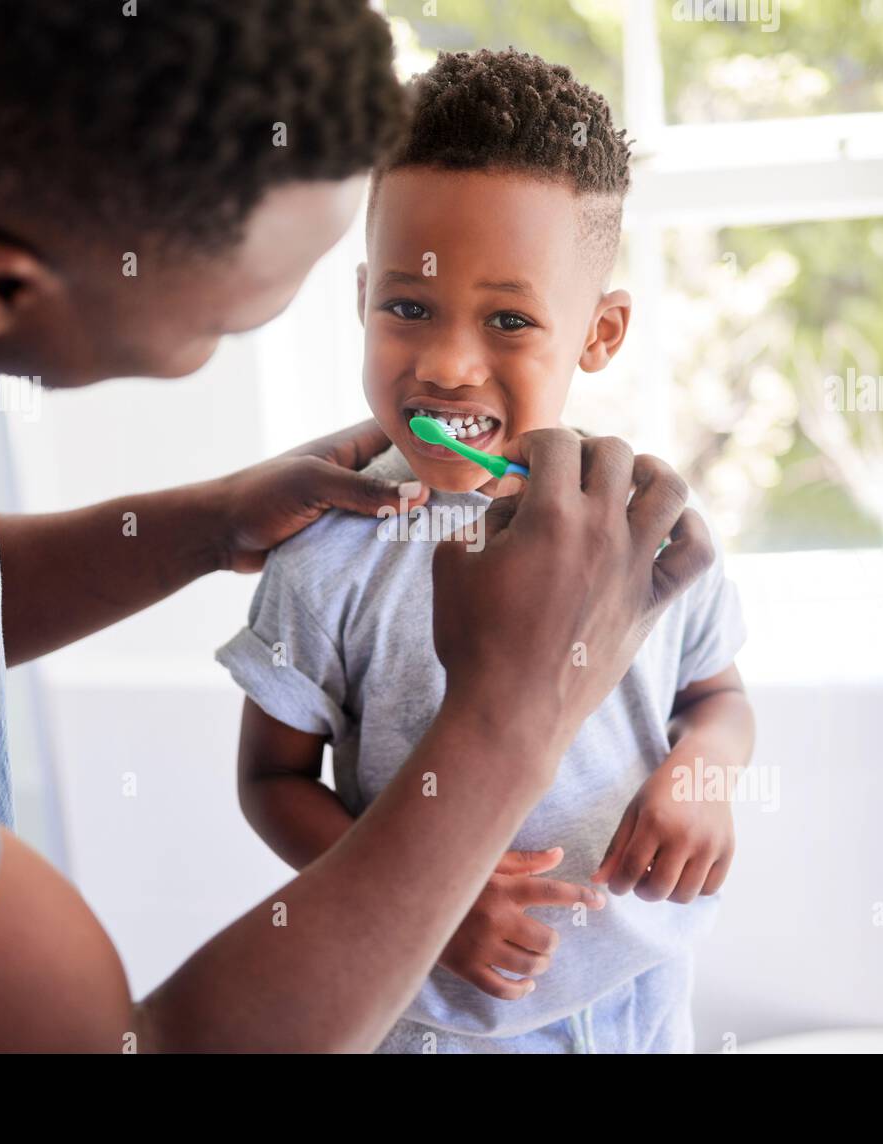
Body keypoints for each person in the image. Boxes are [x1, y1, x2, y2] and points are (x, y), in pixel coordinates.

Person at [0, 2, 715, 1053]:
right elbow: (150, 1046)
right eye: (228, 321)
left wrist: (209, 523)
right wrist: (510, 714)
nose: (442, 365)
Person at [217, 49, 754, 1054]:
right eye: (408, 308)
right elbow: (271, 782)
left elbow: (715, 701)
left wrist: (707, 775)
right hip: (434, 1016)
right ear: (363, 295)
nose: (447, 364)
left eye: (508, 319)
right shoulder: (327, 550)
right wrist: (419, 899)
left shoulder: (649, 525)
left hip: (642, 990)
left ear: (599, 332)